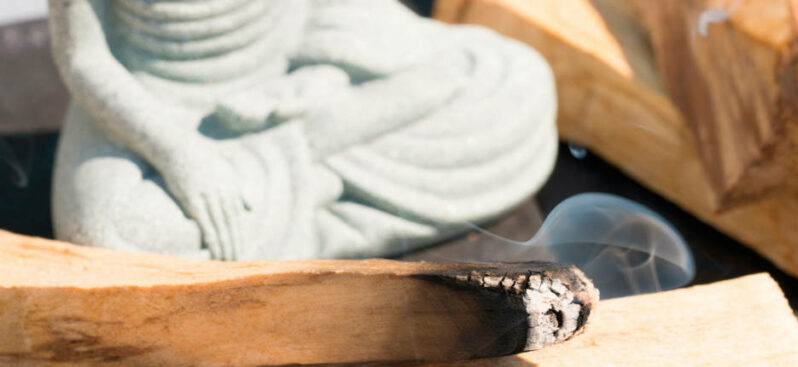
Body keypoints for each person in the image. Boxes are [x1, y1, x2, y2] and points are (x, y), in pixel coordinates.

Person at [49, 0, 557, 260]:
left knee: (515, 80)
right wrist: (182, 156)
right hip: (157, 107)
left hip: (298, 71)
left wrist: (324, 75)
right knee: (110, 235)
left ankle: (289, 183)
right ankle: (318, 176)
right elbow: (87, 60)